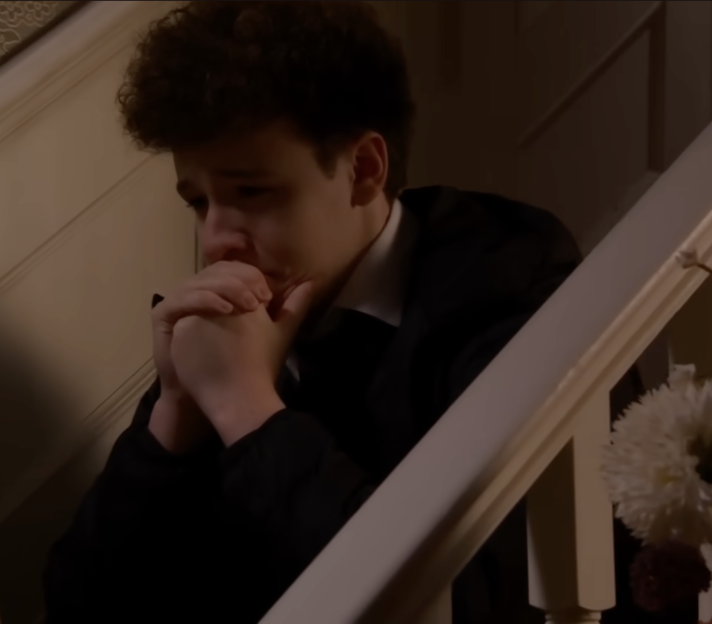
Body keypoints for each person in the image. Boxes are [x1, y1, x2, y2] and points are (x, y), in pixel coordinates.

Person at [44, 2, 653, 623]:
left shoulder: (511, 292)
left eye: (252, 192)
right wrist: (174, 417)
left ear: (363, 170)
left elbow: (481, 603)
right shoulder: (237, 317)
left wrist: (248, 411)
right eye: (198, 202)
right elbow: (77, 608)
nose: (216, 240)